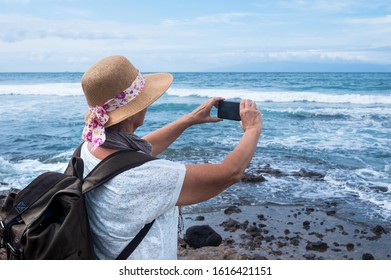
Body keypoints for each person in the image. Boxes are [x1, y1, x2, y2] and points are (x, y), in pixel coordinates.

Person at [80, 55, 262, 260]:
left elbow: (132, 156)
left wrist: (188, 120)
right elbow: (229, 173)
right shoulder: (147, 176)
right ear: (131, 113)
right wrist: (252, 129)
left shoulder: (88, 148)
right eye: (144, 100)